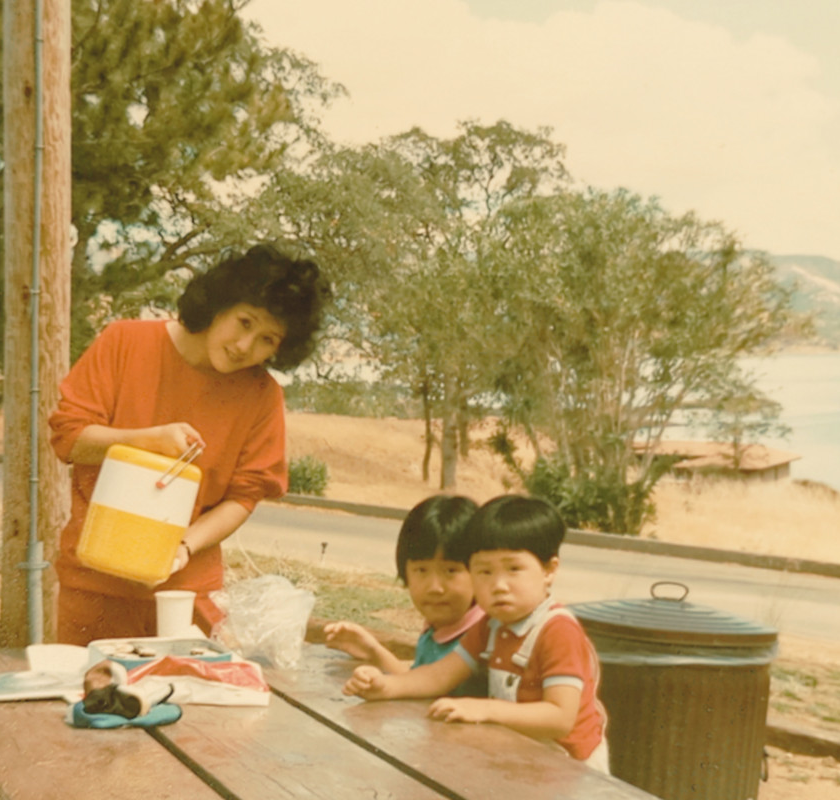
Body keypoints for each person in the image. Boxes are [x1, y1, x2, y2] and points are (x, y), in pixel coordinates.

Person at [48, 243, 330, 645]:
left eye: (267, 339)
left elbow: (244, 496)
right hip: (95, 584)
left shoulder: (263, 396)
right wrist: (148, 440)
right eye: (245, 322)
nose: (244, 346)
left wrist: (183, 545)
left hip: (187, 593)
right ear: (219, 304)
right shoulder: (124, 341)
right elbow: (69, 438)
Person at [342, 495, 610, 772]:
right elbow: (439, 675)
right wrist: (386, 687)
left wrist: (485, 709)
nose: (498, 585)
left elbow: (559, 717)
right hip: (521, 753)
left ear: (549, 570)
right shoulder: (491, 625)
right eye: (484, 571)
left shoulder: (557, 630)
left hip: (571, 768)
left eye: (513, 569)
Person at [323, 495, 486, 696]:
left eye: (451, 571)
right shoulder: (435, 629)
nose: (435, 587)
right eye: (421, 570)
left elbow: (433, 681)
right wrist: (373, 651)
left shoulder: (486, 634)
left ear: (481, 572)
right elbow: (420, 680)